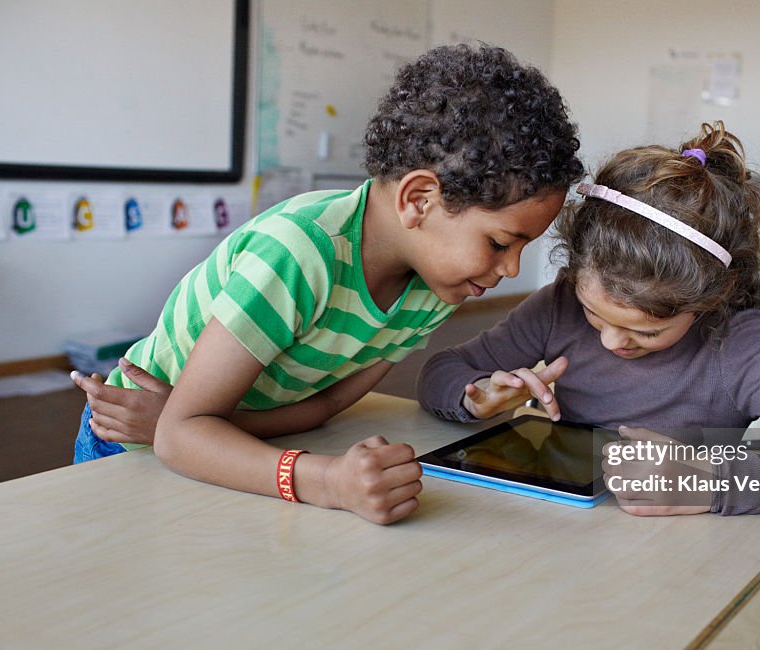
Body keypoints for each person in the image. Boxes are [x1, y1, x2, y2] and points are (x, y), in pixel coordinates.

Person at [70, 44, 584, 525]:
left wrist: (190, 425)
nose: (511, 270)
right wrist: (327, 481)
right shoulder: (298, 254)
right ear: (420, 199)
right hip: (128, 439)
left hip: (220, 441)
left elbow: (323, 408)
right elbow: (181, 440)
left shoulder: (432, 289)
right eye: (499, 243)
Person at [416, 122, 760, 516]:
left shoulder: (736, 344)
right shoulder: (558, 304)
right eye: (594, 315)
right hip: (558, 523)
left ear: (707, 301)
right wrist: (474, 397)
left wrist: (714, 484)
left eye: (647, 331)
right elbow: (440, 372)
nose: (611, 342)